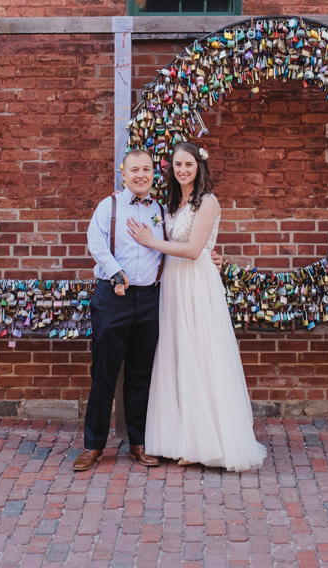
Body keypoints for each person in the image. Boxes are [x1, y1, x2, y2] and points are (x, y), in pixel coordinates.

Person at [127, 142, 266, 472]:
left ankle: (208, 441)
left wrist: (150, 241)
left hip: (196, 283)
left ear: (199, 166)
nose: (182, 170)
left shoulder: (208, 202)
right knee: (177, 356)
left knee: (201, 355)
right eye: (177, 164)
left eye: (188, 163)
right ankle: (180, 439)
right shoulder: (172, 204)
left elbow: (191, 250)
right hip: (173, 284)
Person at [76, 149, 166, 471]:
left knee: (141, 375)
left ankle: (138, 443)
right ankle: (93, 445)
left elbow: (173, 247)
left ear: (153, 173)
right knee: (103, 374)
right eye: (134, 170)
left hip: (149, 300)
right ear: (123, 173)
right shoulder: (109, 205)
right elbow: (95, 241)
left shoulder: (160, 210)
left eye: (147, 169)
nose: (141, 175)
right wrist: (115, 271)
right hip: (114, 298)